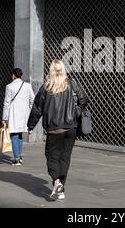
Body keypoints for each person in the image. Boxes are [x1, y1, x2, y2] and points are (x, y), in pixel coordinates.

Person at [28, 60, 89, 201]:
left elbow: (37, 109)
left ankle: (56, 181)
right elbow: (84, 99)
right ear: (63, 69)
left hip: (54, 129)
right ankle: (60, 188)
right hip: (71, 127)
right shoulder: (72, 84)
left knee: (52, 156)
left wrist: (30, 126)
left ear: (50, 71)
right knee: (65, 157)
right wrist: (76, 111)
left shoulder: (46, 87)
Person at [2, 68, 35, 166]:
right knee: (20, 135)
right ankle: (19, 156)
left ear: (13, 75)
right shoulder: (27, 86)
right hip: (24, 114)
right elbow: (32, 100)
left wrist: (4, 118)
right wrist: (28, 110)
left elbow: (7, 103)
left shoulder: (9, 86)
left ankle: (17, 158)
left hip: (13, 114)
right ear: (21, 75)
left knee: (14, 135)